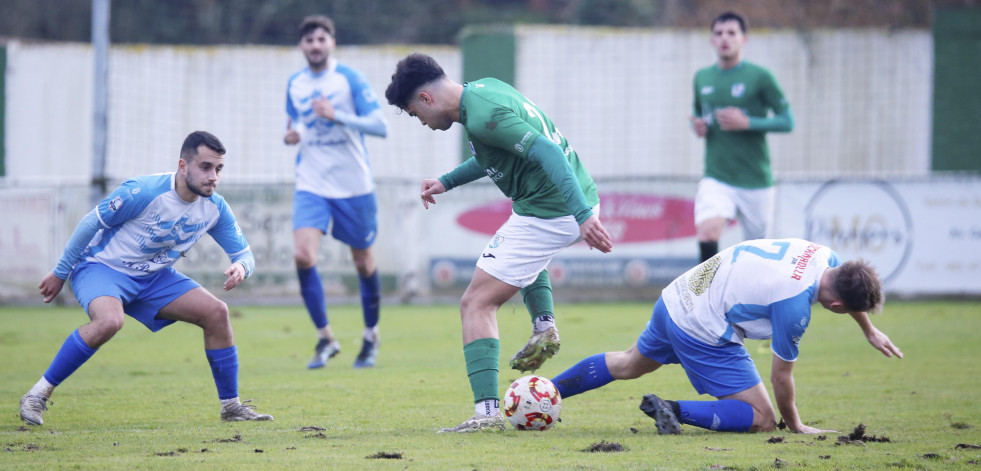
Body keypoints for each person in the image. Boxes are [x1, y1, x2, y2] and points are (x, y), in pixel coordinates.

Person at [385, 53, 614, 433]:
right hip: (546, 204)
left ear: (425, 99)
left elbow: (547, 150)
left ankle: (487, 414)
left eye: (414, 114)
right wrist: (446, 180)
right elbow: (493, 156)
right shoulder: (485, 90)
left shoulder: (483, 117)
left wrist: (582, 215)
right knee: (520, 256)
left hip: (551, 209)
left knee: (475, 303)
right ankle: (544, 325)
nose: (421, 123)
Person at [21, 131, 273, 425]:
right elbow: (91, 222)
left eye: (218, 169)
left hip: (153, 277)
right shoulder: (143, 191)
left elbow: (245, 255)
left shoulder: (214, 207)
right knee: (109, 321)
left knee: (217, 312)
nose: (213, 176)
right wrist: (60, 272)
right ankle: (37, 395)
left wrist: (241, 267)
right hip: (103, 268)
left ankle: (231, 407)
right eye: (205, 167)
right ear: (183, 166)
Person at [551, 238, 903, 435]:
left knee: (629, 363)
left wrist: (869, 329)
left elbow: (846, 286)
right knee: (763, 418)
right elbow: (781, 377)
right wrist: (795, 425)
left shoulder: (826, 256)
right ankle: (671, 410)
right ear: (838, 306)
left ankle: (546, 392)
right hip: (700, 326)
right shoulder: (794, 308)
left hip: (677, 296)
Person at [283, 15, 389, 370]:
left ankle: (371, 336)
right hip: (311, 183)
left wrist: (338, 115)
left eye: (321, 39)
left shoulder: (349, 79)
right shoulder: (294, 84)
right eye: (309, 40)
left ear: (332, 42)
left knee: (363, 262)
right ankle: (326, 337)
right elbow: (294, 121)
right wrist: (292, 134)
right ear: (302, 46)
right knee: (302, 255)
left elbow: (379, 125)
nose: (315, 45)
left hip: (353, 185)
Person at [690, 12, 794, 263]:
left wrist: (748, 123)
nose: (724, 38)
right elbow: (697, 112)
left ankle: (759, 301)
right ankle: (706, 295)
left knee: (759, 255)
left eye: (731, 33)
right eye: (718, 33)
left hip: (755, 180)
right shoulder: (702, 77)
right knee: (707, 231)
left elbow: (787, 121)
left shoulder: (760, 77)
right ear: (712, 40)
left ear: (743, 39)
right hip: (717, 176)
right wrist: (698, 125)